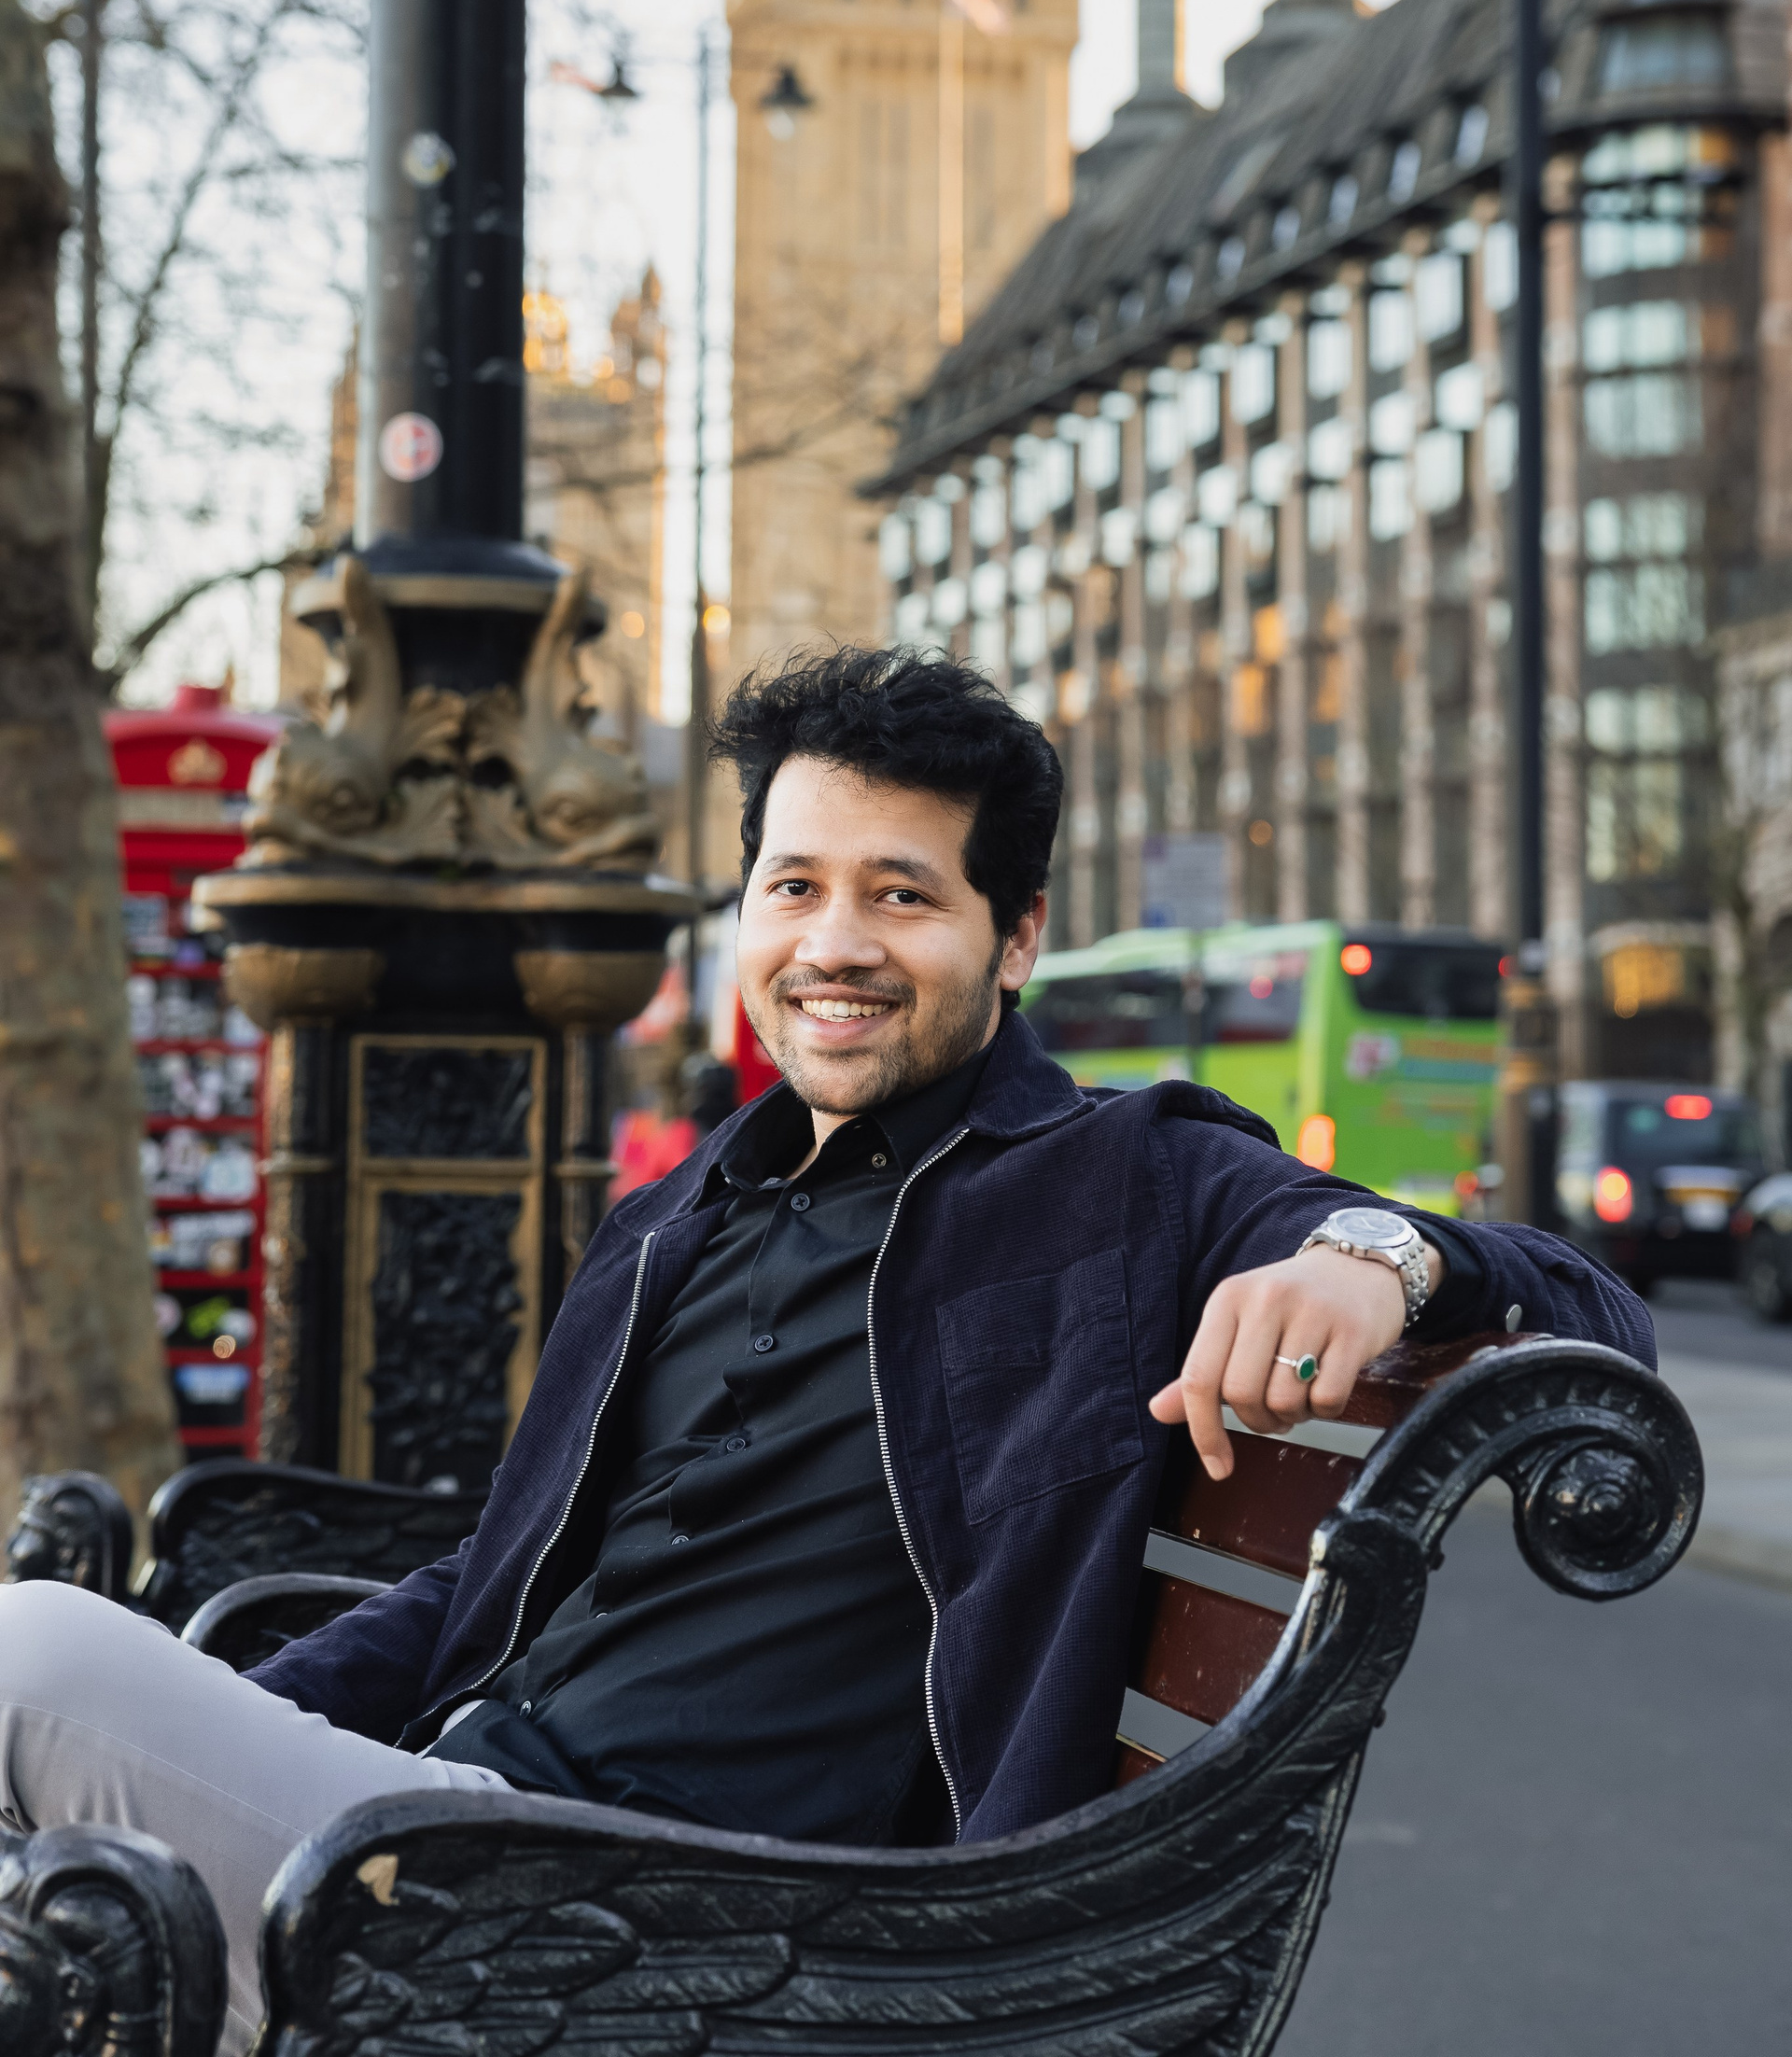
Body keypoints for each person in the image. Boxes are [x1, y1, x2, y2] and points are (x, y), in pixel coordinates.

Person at [0, 647, 1652, 2053]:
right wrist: (231, 1719)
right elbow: (484, 1585)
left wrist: (1378, 1259)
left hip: (668, 1927)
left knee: (31, 1655)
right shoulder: (682, 1214)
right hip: (433, 1834)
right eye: (795, 887)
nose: (834, 942)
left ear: (1015, 938)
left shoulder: (1120, 1184)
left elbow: (1584, 1308)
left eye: (901, 894)